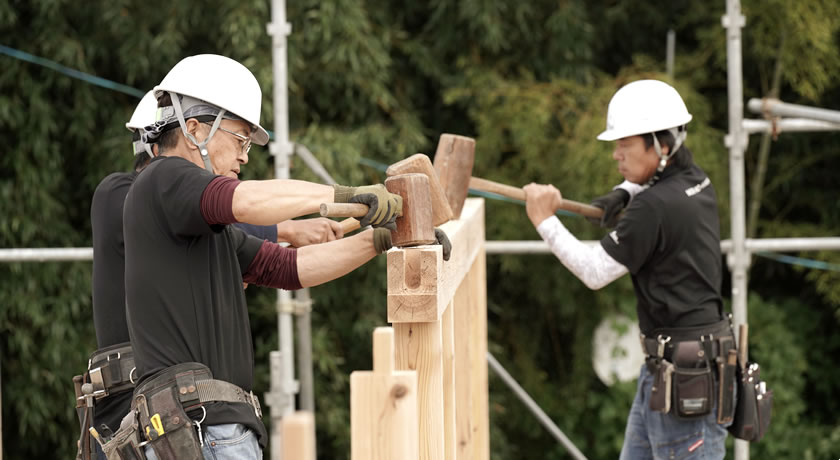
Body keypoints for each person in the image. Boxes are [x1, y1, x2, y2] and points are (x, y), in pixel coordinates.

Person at [117, 54, 447, 460]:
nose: (244, 156)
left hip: (212, 428)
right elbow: (247, 200)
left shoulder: (206, 232)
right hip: (202, 430)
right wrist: (341, 195)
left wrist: (381, 239)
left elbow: (290, 268)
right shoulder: (164, 179)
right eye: (240, 139)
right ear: (194, 129)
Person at [81, 90, 345, 460]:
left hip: (168, 404)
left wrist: (372, 238)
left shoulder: (191, 224)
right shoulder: (126, 192)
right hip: (138, 402)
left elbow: (250, 247)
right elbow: (213, 208)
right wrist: (283, 229)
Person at [523, 80, 735, 459]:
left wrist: (544, 221)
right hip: (674, 369)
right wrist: (622, 192)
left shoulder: (653, 209)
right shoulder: (696, 181)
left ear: (662, 144)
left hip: (684, 383)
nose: (616, 155)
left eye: (626, 145)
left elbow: (594, 271)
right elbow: (654, 184)